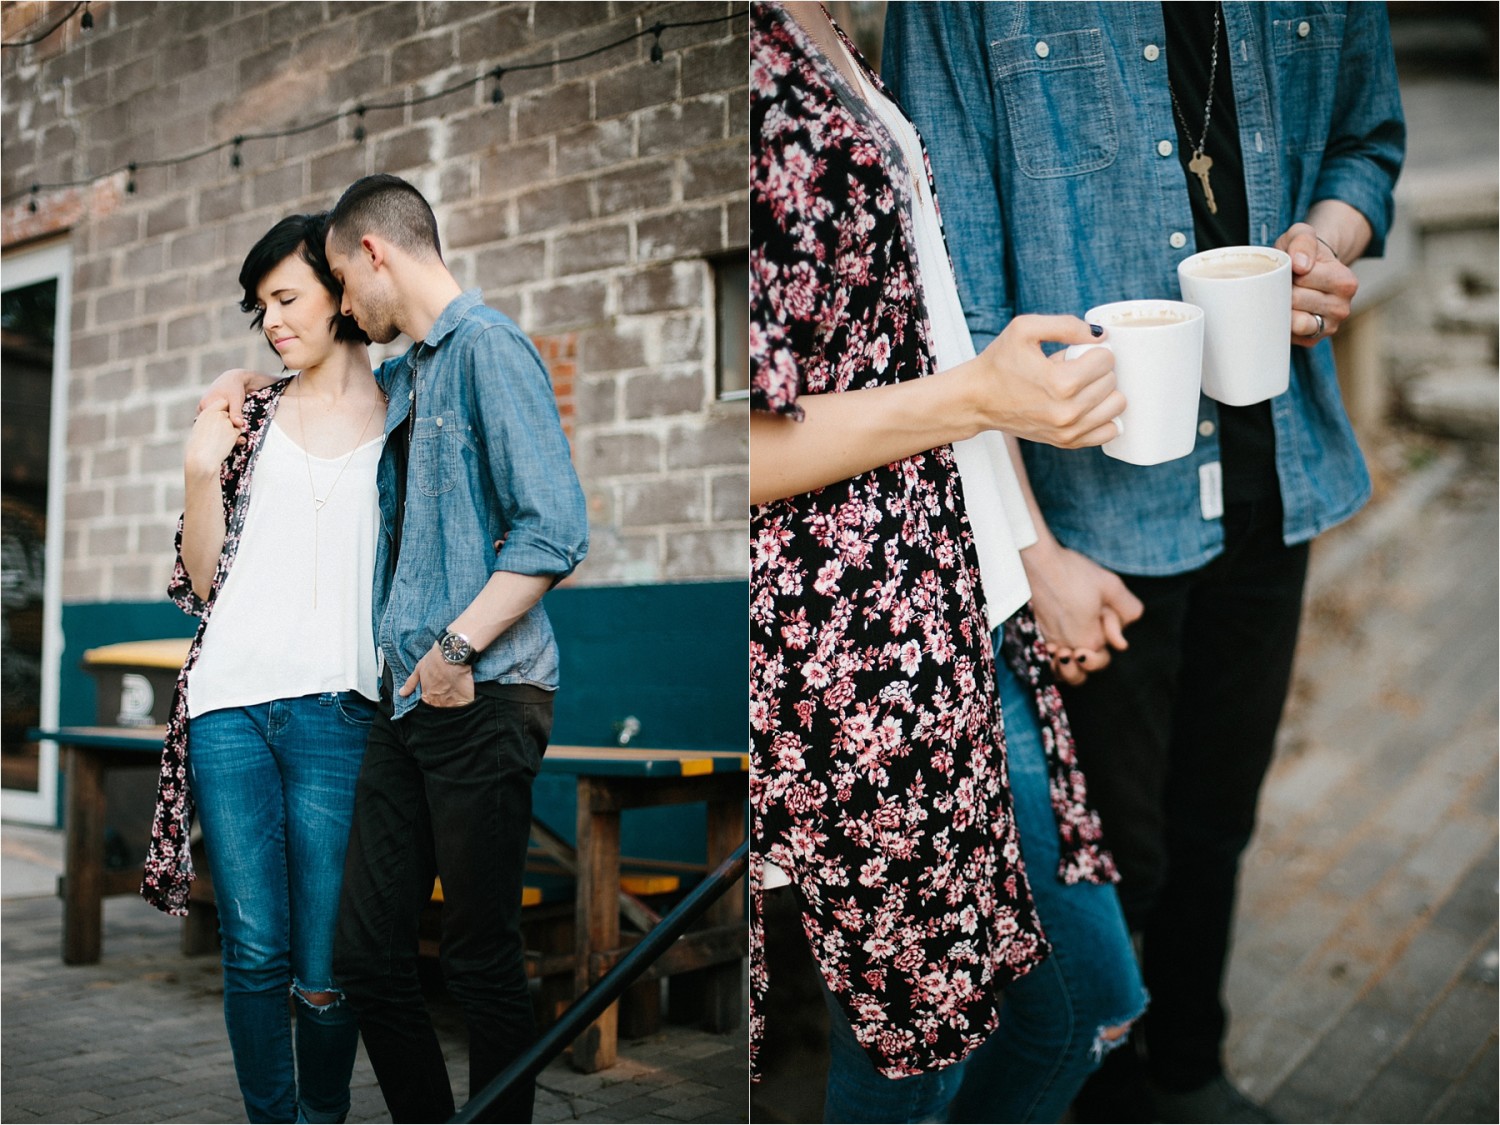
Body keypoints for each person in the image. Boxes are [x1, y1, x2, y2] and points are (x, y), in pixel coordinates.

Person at [883, 4, 1406, 1120]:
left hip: (1276, 475)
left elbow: (1370, 145)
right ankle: (1102, 1095)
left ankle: (1187, 1068)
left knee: (1219, 815)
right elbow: (948, 291)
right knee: (1116, 854)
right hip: (1086, 521)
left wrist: (1328, 241)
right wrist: (1036, 554)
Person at [751, 5, 1148, 1122]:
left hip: (967, 609)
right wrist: (978, 396)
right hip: (866, 648)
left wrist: (1030, 553)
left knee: (1086, 1009)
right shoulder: (744, 60)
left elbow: (920, 331)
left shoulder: (837, 35)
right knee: (923, 1054)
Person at [205, 173, 589, 1123]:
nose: (340, 303)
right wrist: (243, 386)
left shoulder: (489, 349)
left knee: (480, 953)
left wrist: (458, 648)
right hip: (405, 700)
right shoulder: (409, 373)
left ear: (372, 254)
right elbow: (320, 412)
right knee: (369, 956)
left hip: (483, 688)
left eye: (335, 277)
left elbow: (555, 529)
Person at [142, 212, 385, 1123]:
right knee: (252, 949)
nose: (273, 319)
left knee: (326, 964)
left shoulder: (405, 412)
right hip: (229, 705)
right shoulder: (245, 415)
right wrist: (200, 471)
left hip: (341, 710)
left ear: (342, 293)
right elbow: (203, 585)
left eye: (287, 297)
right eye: (261, 307)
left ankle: (322, 1113)